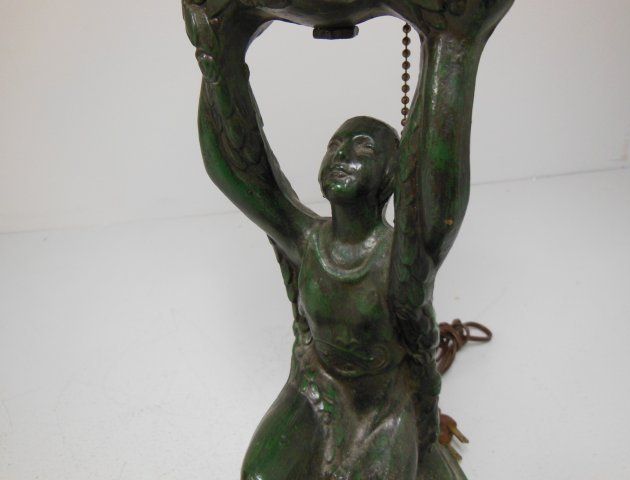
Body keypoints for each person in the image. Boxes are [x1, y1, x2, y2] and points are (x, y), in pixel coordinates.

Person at [181, 1, 514, 478]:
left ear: (392, 176)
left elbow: (434, 197)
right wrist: (217, 56)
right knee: (259, 475)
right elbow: (238, 174)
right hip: (317, 388)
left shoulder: (398, 259)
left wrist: (452, 46)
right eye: (335, 145)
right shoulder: (306, 241)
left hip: (384, 406)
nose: (341, 155)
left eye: (362, 147)